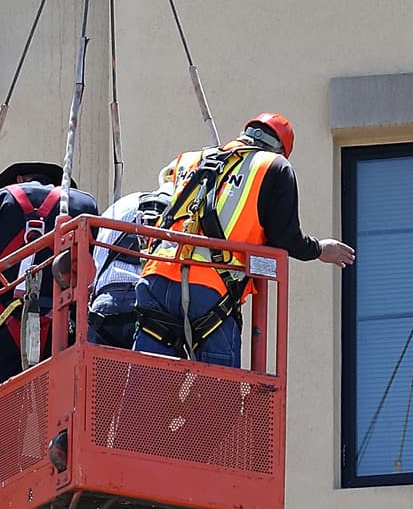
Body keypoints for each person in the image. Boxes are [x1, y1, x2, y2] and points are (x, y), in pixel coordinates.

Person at [129, 113, 355, 367]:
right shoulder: (274, 166)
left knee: (144, 392)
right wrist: (319, 250)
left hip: (155, 278)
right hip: (210, 291)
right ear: (280, 149)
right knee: (218, 397)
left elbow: (155, 206)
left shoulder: (192, 159)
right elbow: (286, 237)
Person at [0, 162, 98, 388]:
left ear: (18, 180)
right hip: (63, 323)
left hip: (7, 323)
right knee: (63, 402)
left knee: (4, 406)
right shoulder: (84, 203)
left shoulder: (1, 199)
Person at [85, 182, 172, 349]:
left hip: (106, 304)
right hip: (152, 307)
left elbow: (98, 252)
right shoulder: (177, 211)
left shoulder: (122, 205)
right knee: (153, 373)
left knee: (92, 373)